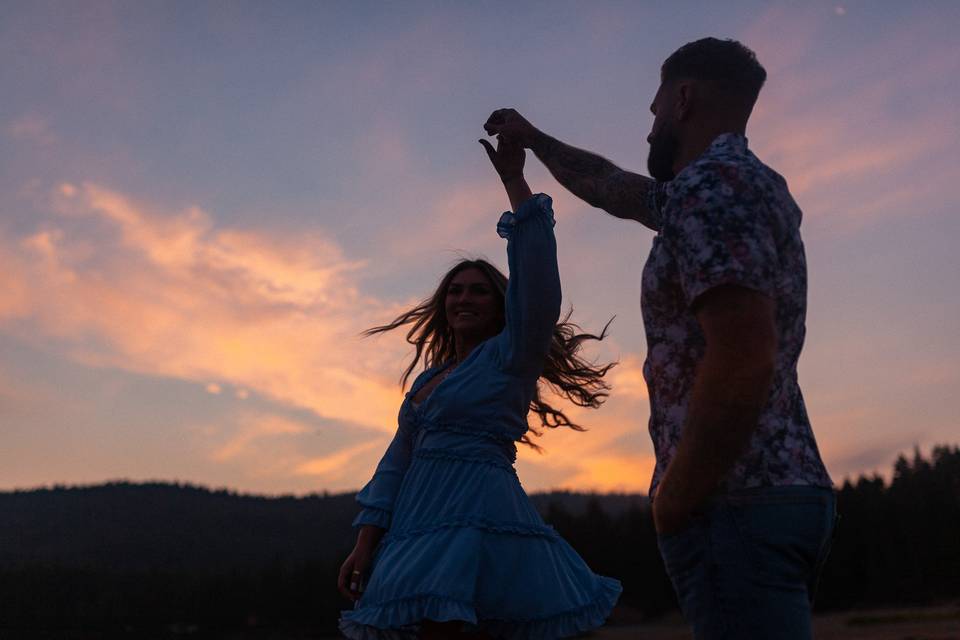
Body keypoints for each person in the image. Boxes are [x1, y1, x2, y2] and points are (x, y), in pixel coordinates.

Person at [484, 37, 835, 638]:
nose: (648, 132)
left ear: (683, 99)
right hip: (765, 493)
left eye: (652, 112)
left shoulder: (713, 190)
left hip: (734, 498)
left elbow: (745, 356)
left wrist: (676, 497)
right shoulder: (725, 187)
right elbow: (608, 184)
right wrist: (535, 141)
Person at [337, 135, 621, 639]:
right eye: (455, 291)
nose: (463, 299)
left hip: (478, 514)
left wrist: (514, 182)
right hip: (414, 524)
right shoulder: (428, 380)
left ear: (499, 304)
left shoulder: (510, 355)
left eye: (478, 291)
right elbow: (395, 463)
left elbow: (535, 287)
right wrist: (365, 542)